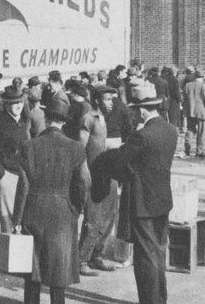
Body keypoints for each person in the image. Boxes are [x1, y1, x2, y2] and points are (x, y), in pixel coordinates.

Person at [93, 80, 178, 304]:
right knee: (158, 251)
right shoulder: (170, 130)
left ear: (142, 110)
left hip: (143, 203)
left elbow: (121, 160)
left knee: (145, 256)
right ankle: (160, 298)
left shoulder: (142, 136)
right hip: (162, 200)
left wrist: (109, 156)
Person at [13, 98, 90, 304]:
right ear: (64, 122)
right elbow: (83, 183)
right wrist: (76, 208)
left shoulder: (30, 146)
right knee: (59, 269)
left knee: (32, 269)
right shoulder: (76, 148)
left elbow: (23, 187)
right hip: (63, 211)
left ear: (46, 119)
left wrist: (17, 220)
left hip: (33, 209)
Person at [77, 86, 119, 276]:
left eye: (112, 99)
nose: (111, 102)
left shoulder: (103, 118)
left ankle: (97, 256)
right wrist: (84, 173)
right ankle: (81, 261)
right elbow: (80, 150)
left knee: (109, 216)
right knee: (92, 219)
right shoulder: (89, 118)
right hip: (91, 176)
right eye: (108, 99)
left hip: (105, 174)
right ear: (97, 101)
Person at [0, 85, 30, 233]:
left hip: (24, 174)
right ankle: (10, 251)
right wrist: (1, 175)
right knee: (8, 218)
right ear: (6, 104)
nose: (18, 106)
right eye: (14, 103)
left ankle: (20, 252)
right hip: (7, 174)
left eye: (20, 102)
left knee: (23, 216)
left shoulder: (25, 121)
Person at [183, 69, 205, 156]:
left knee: (190, 129)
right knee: (201, 132)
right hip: (201, 111)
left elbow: (184, 100)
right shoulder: (204, 86)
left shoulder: (188, 85)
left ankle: (187, 149)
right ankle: (199, 151)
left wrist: (185, 111)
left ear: (194, 76)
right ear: (203, 77)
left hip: (190, 111)